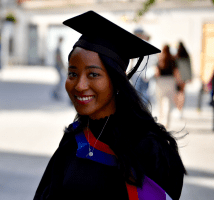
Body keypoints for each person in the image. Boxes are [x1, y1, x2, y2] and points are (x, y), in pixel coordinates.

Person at [34, 11, 186, 200]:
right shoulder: (73, 140)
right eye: (72, 74)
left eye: (93, 74)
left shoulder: (148, 147)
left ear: (116, 81)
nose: (79, 85)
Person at [130, 28, 158, 103]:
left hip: (140, 72)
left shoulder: (139, 45)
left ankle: (140, 110)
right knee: (143, 92)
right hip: (144, 73)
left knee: (139, 92)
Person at [155, 44, 179, 128]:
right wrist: (178, 83)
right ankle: (167, 122)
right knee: (169, 103)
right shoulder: (173, 60)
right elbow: (176, 73)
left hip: (161, 82)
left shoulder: (160, 59)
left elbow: (156, 73)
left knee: (160, 103)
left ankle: (160, 121)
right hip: (170, 81)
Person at [174, 41, 192, 118]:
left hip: (177, 77)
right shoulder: (186, 56)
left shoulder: (176, 56)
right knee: (182, 93)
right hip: (184, 77)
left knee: (177, 94)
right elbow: (189, 67)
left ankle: (178, 108)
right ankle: (180, 110)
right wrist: (190, 77)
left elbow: (175, 68)